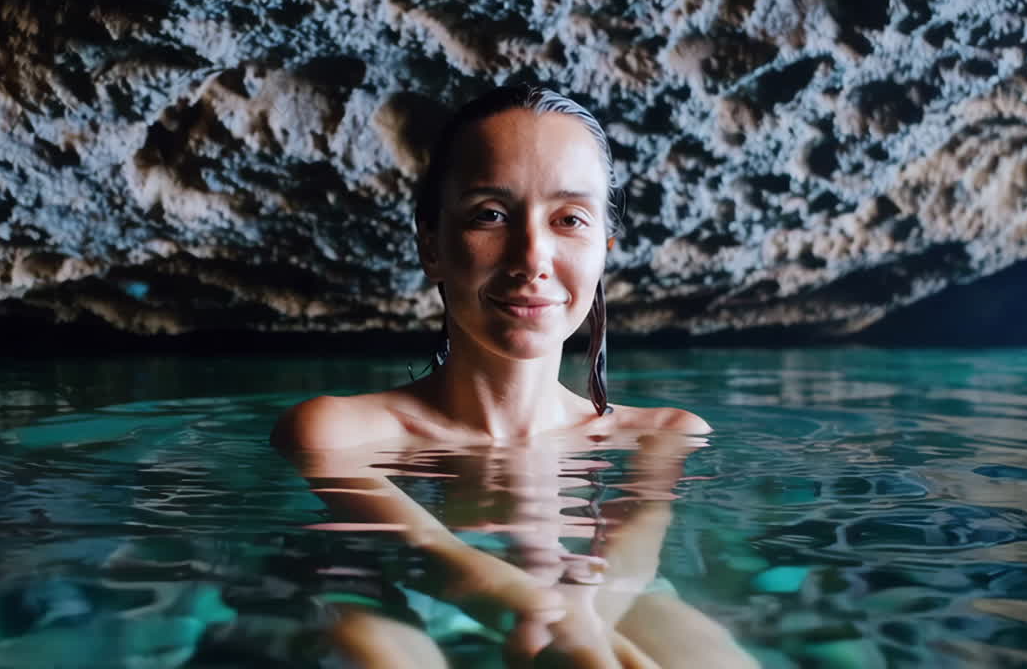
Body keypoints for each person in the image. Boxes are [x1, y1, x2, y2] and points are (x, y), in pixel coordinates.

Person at [272, 85, 756, 668]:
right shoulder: (334, 432)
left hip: (601, 597)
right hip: (393, 586)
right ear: (432, 244)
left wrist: (582, 623)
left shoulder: (665, 436)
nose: (532, 256)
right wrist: (563, 631)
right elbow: (428, 551)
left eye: (569, 219)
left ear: (604, 248)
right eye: (491, 215)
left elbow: (631, 563)